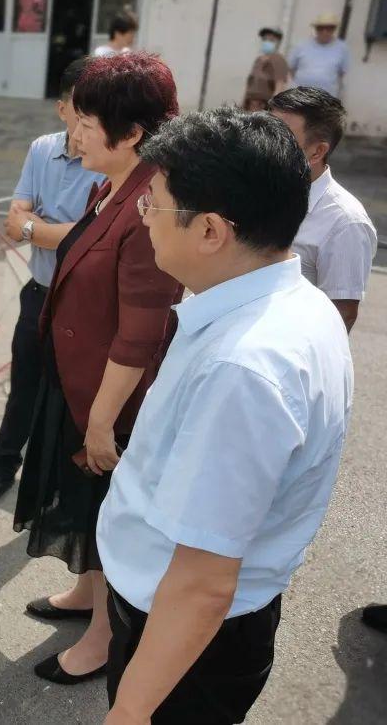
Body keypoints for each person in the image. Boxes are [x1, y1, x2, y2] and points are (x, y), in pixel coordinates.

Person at [99, 106, 352, 725]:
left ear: (211, 229)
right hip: (208, 621)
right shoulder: (294, 300)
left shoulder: (242, 370)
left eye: (151, 204)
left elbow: (204, 582)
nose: (141, 216)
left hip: (186, 636)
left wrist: (129, 712)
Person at [12, 52, 184, 684]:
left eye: (85, 121)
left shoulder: (152, 203)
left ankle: (106, 638)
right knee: (85, 503)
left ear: (133, 132)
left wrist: (102, 424)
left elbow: (140, 333)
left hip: (111, 400)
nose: (72, 133)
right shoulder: (108, 183)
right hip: (79, 380)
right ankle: (87, 594)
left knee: (112, 513)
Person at [0, 57, 102, 506]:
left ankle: (54, 483)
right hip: (40, 293)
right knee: (23, 388)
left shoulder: (109, 158)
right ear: (62, 109)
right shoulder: (42, 149)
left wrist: (38, 228)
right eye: (81, 112)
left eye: (97, 114)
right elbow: (15, 219)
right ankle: (3, 466)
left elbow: (94, 238)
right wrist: (57, 231)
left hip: (85, 303)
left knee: (71, 396)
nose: (89, 125)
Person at [266, 87, 376, 332]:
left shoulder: (345, 222)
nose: (264, 143)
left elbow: (341, 316)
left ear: (317, 151)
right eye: (265, 130)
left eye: (281, 137)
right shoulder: (254, 191)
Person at [289, 12, 349, 98]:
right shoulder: (301, 45)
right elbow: (292, 69)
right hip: (300, 97)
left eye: (329, 28)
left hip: (325, 99)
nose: (324, 32)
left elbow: (342, 73)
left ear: (334, 29)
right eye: (321, 28)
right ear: (316, 29)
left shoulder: (342, 48)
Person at [242, 27, 289, 111]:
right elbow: (250, 83)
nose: (267, 42)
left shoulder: (278, 60)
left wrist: (273, 108)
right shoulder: (258, 60)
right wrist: (243, 103)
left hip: (264, 105)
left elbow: (280, 85)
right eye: (265, 39)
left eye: (271, 40)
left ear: (277, 42)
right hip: (250, 104)